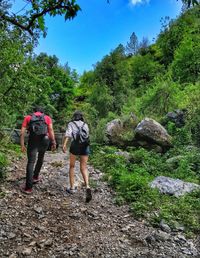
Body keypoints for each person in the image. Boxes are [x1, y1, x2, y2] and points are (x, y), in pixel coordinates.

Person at [20, 106, 56, 194]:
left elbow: (22, 132)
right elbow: (50, 129)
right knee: (40, 158)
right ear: (42, 111)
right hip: (45, 140)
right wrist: (53, 142)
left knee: (31, 162)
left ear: (34, 111)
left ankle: (28, 188)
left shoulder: (28, 117)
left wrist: (22, 144)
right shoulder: (47, 118)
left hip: (33, 140)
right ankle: (35, 177)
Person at [62, 111, 92, 203]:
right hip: (85, 146)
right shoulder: (85, 124)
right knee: (84, 167)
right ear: (81, 117)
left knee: (72, 166)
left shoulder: (71, 123)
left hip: (75, 145)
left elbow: (68, 134)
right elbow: (86, 135)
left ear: (74, 117)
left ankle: (72, 188)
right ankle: (87, 186)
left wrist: (64, 145)